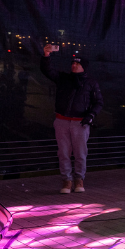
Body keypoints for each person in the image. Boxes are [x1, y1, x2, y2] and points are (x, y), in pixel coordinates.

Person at [41, 45, 103, 194]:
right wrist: (46, 55)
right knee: (63, 153)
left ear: (84, 67)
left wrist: (90, 116)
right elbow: (47, 71)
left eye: (77, 63)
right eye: (73, 63)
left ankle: (79, 180)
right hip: (62, 120)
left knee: (81, 153)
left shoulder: (91, 83)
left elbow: (98, 102)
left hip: (80, 123)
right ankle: (67, 181)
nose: (74, 65)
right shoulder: (63, 78)